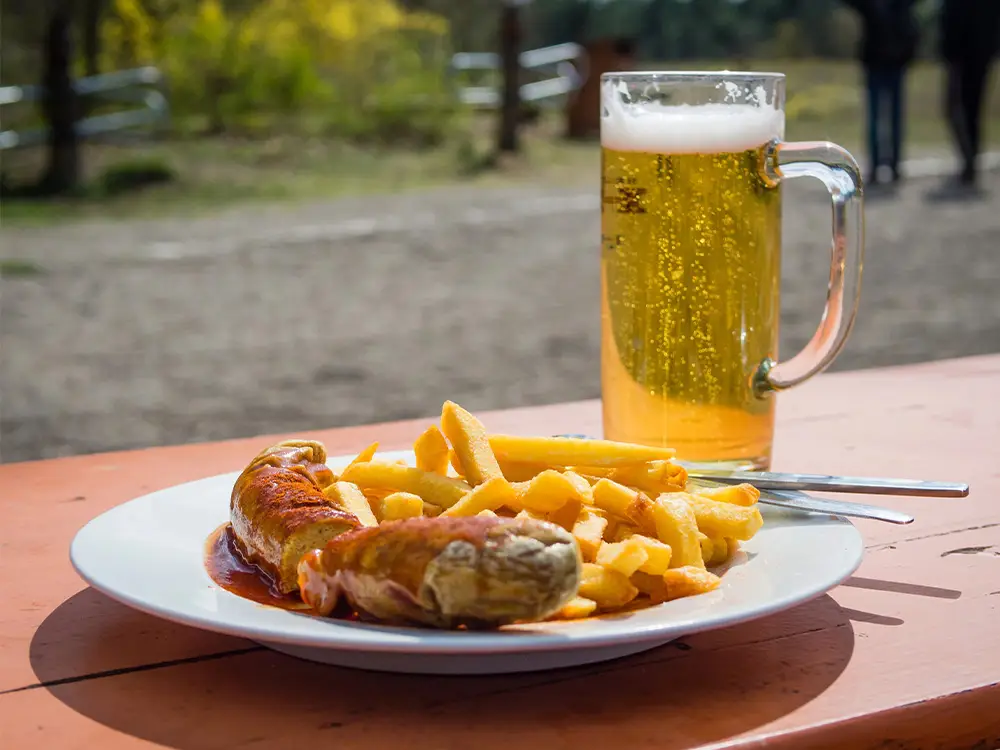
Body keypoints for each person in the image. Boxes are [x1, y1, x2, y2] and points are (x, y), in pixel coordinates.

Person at [843, 0, 920, 185]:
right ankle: (877, 166)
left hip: (896, 61)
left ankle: (894, 166)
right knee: (876, 118)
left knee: (894, 117)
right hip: (876, 62)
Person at [940, 0, 1000, 188]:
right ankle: (970, 159)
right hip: (973, 54)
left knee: (963, 110)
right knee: (968, 111)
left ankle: (970, 160)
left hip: (967, 56)